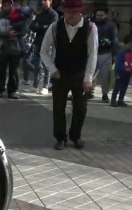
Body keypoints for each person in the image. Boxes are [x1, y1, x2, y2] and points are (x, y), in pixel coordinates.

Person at [41, 0, 97, 150]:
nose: (69, 15)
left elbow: (93, 54)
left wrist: (88, 78)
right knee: (58, 107)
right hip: (60, 74)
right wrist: (53, 70)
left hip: (80, 74)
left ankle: (75, 136)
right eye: (67, 12)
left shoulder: (90, 28)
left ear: (80, 12)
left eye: (73, 12)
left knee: (80, 108)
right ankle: (60, 138)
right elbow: (43, 51)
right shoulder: (55, 27)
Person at [0, 0, 29, 99]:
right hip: (2, 48)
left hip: (15, 48)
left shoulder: (19, 15)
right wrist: (6, 34)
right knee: (1, 71)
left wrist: (16, 34)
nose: (7, 7)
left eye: (9, 5)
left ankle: (12, 91)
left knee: (14, 72)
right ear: (2, 6)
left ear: (12, 5)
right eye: (5, 5)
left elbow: (25, 30)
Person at [29, 0, 57, 94]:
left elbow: (51, 28)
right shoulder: (40, 14)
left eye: (46, 0)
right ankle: (35, 85)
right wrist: (42, 26)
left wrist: (39, 26)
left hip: (48, 42)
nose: (43, 2)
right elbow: (32, 26)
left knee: (46, 65)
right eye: (42, 1)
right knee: (37, 64)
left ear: (50, 1)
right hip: (38, 41)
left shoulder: (53, 14)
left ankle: (45, 86)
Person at [92, 6, 118, 102]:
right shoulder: (92, 24)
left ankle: (104, 94)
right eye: (97, 15)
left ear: (106, 15)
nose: (99, 17)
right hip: (92, 53)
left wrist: (115, 56)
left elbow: (115, 41)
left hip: (106, 53)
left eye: (101, 15)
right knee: (90, 74)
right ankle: (89, 92)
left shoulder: (111, 25)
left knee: (105, 76)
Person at [110, 37, 132, 107]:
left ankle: (121, 100)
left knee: (124, 88)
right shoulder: (121, 53)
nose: (131, 46)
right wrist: (116, 73)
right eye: (130, 44)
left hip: (128, 73)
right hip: (120, 73)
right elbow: (117, 64)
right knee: (117, 88)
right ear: (125, 44)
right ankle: (113, 100)